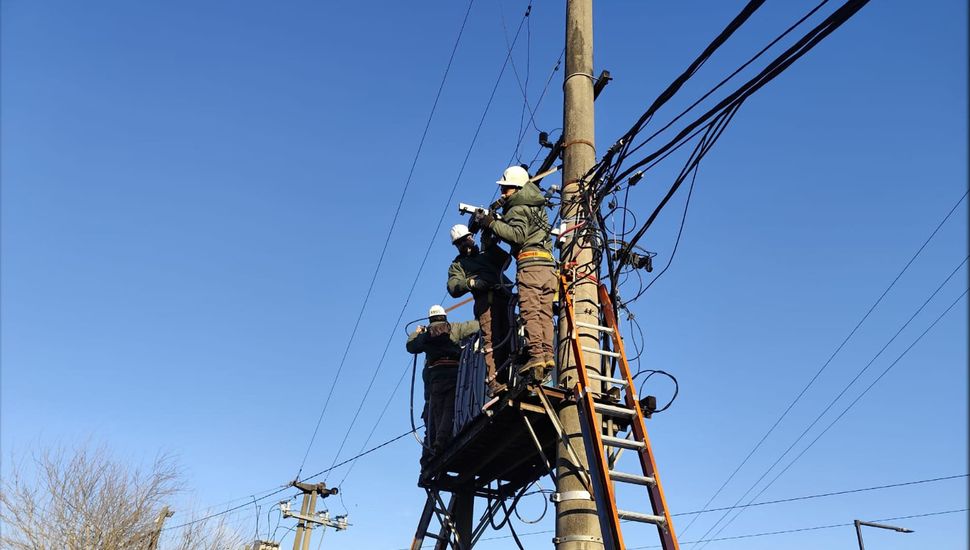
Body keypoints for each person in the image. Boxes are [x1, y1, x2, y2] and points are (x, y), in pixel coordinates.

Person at [473, 165, 556, 381]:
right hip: (548, 267)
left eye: (506, 189)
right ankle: (547, 354)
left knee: (530, 311)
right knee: (544, 313)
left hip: (531, 266)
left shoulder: (517, 208)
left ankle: (537, 354)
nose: (503, 193)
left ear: (517, 188)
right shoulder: (538, 206)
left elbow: (517, 236)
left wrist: (491, 223)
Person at [406, 305, 480, 465]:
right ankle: (441, 441)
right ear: (444, 316)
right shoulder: (455, 328)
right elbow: (478, 325)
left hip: (435, 377)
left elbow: (411, 346)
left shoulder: (426, 336)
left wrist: (417, 332)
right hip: (454, 373)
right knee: (449, 409)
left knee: (435, 413)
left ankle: (433, 450)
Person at [446, 223, 513, 398]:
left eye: (465, 239)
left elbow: (506, 261)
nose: (464, 244)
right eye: (459, 243)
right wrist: (471, 283)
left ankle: (510, 376)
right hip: (486, 302)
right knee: (492, 340)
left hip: (504, 298)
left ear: (471, 237)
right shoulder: (459, 265)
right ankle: (494, 382)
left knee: (510, 336)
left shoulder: (486, 253)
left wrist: (491, 243)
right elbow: (453, 286)